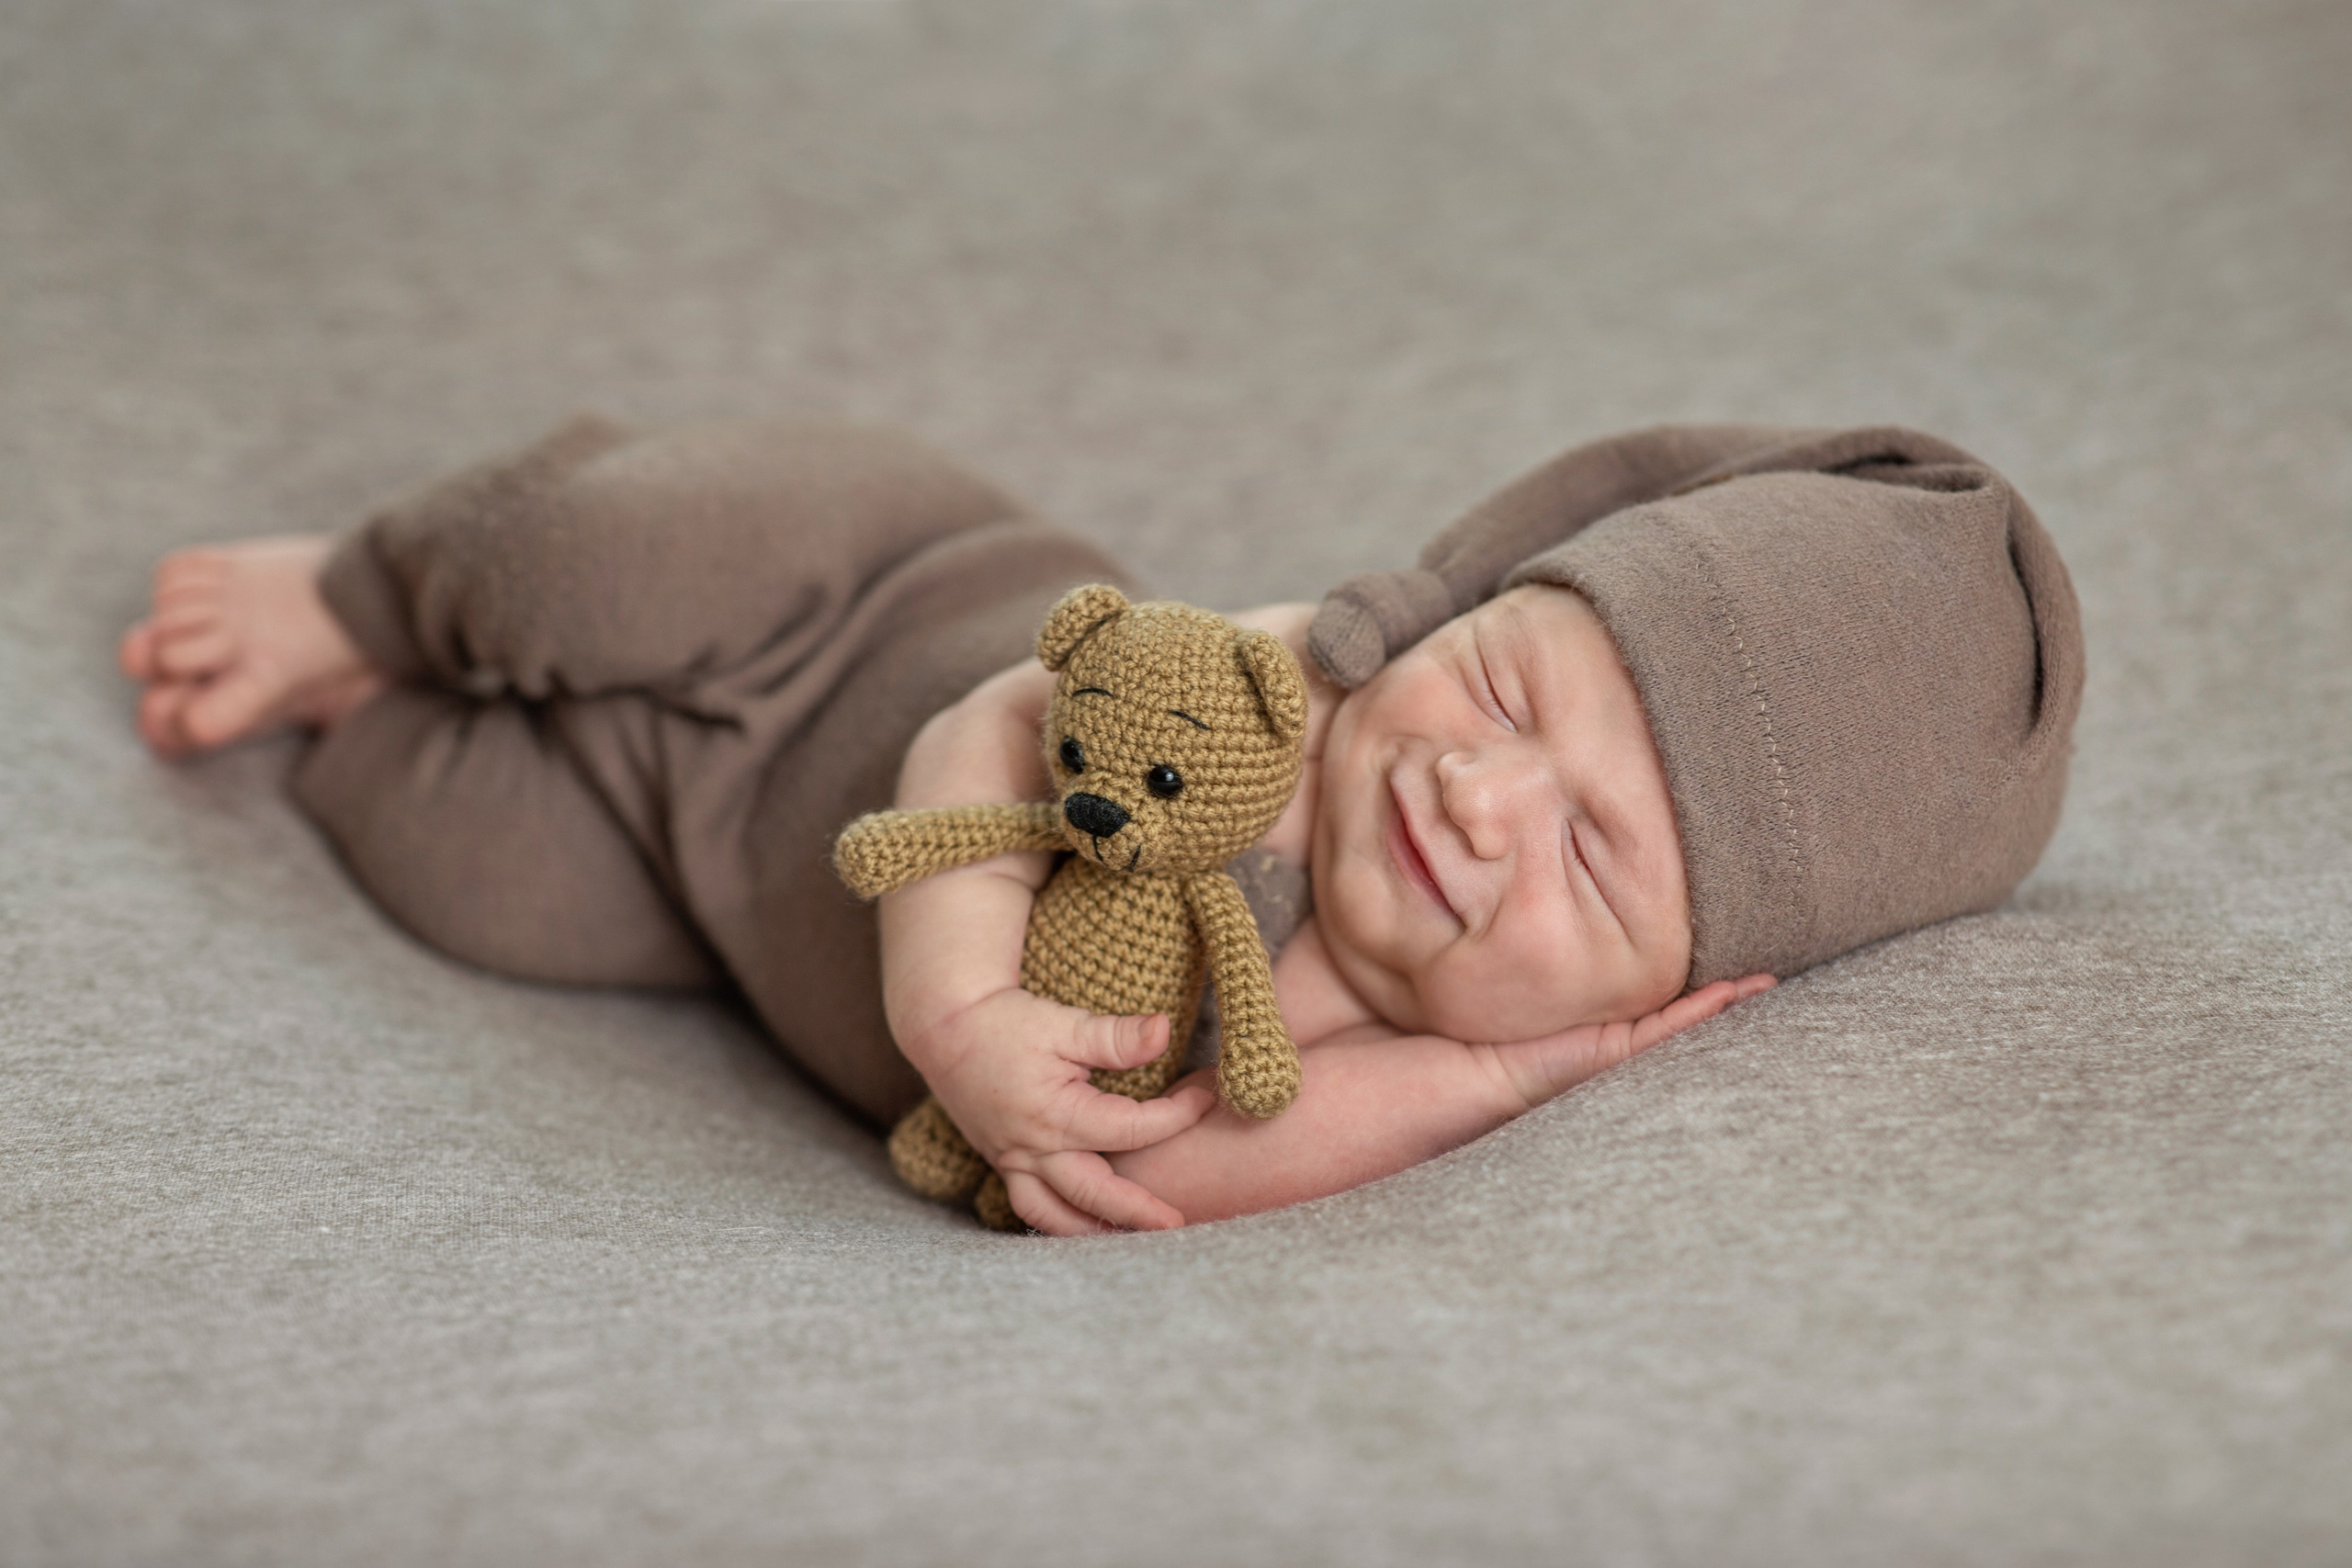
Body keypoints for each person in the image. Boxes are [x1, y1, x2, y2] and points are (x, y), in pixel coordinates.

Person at [118, 418, 2083, 1234]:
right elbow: (992, 720)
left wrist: (1512, 1067)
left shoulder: (1428, 1040)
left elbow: (1202, 1159)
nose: (1471, 802)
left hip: (694, 888)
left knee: (460, 870)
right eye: (1497, 686)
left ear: (1672, 980)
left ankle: (371, 710)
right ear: (1471, 600)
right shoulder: (1292, 686)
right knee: (597, 555)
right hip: (874, 589)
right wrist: (958, 996)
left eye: (1587, 861)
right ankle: (376, 593)